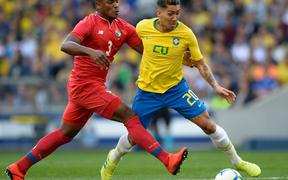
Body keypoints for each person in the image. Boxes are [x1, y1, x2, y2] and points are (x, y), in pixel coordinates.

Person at [5, 0, 189, 179]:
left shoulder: (123, 28)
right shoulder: (89, 23)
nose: (116, 5)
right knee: (129, 116)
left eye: (117, 2)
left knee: (65, 133)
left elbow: (148, 50)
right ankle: (167, 160)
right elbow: (66, 45)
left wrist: (179, 56)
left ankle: (18, 168)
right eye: (110, 2)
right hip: (85, 85)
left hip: (89, 87)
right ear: (98, 5)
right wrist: (90, 51)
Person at [100, 0, 262, 179]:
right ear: (159, 13)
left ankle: (238, 162)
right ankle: (112, 158)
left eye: (178, 12)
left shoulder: (186, 33)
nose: (175, 17)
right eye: (170, 13)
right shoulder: (143, 27)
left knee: (208, 125)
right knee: (133, 137)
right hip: (148, 92)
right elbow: (134, 45)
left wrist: (216, 86)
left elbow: (200, 64)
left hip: (176, 89)